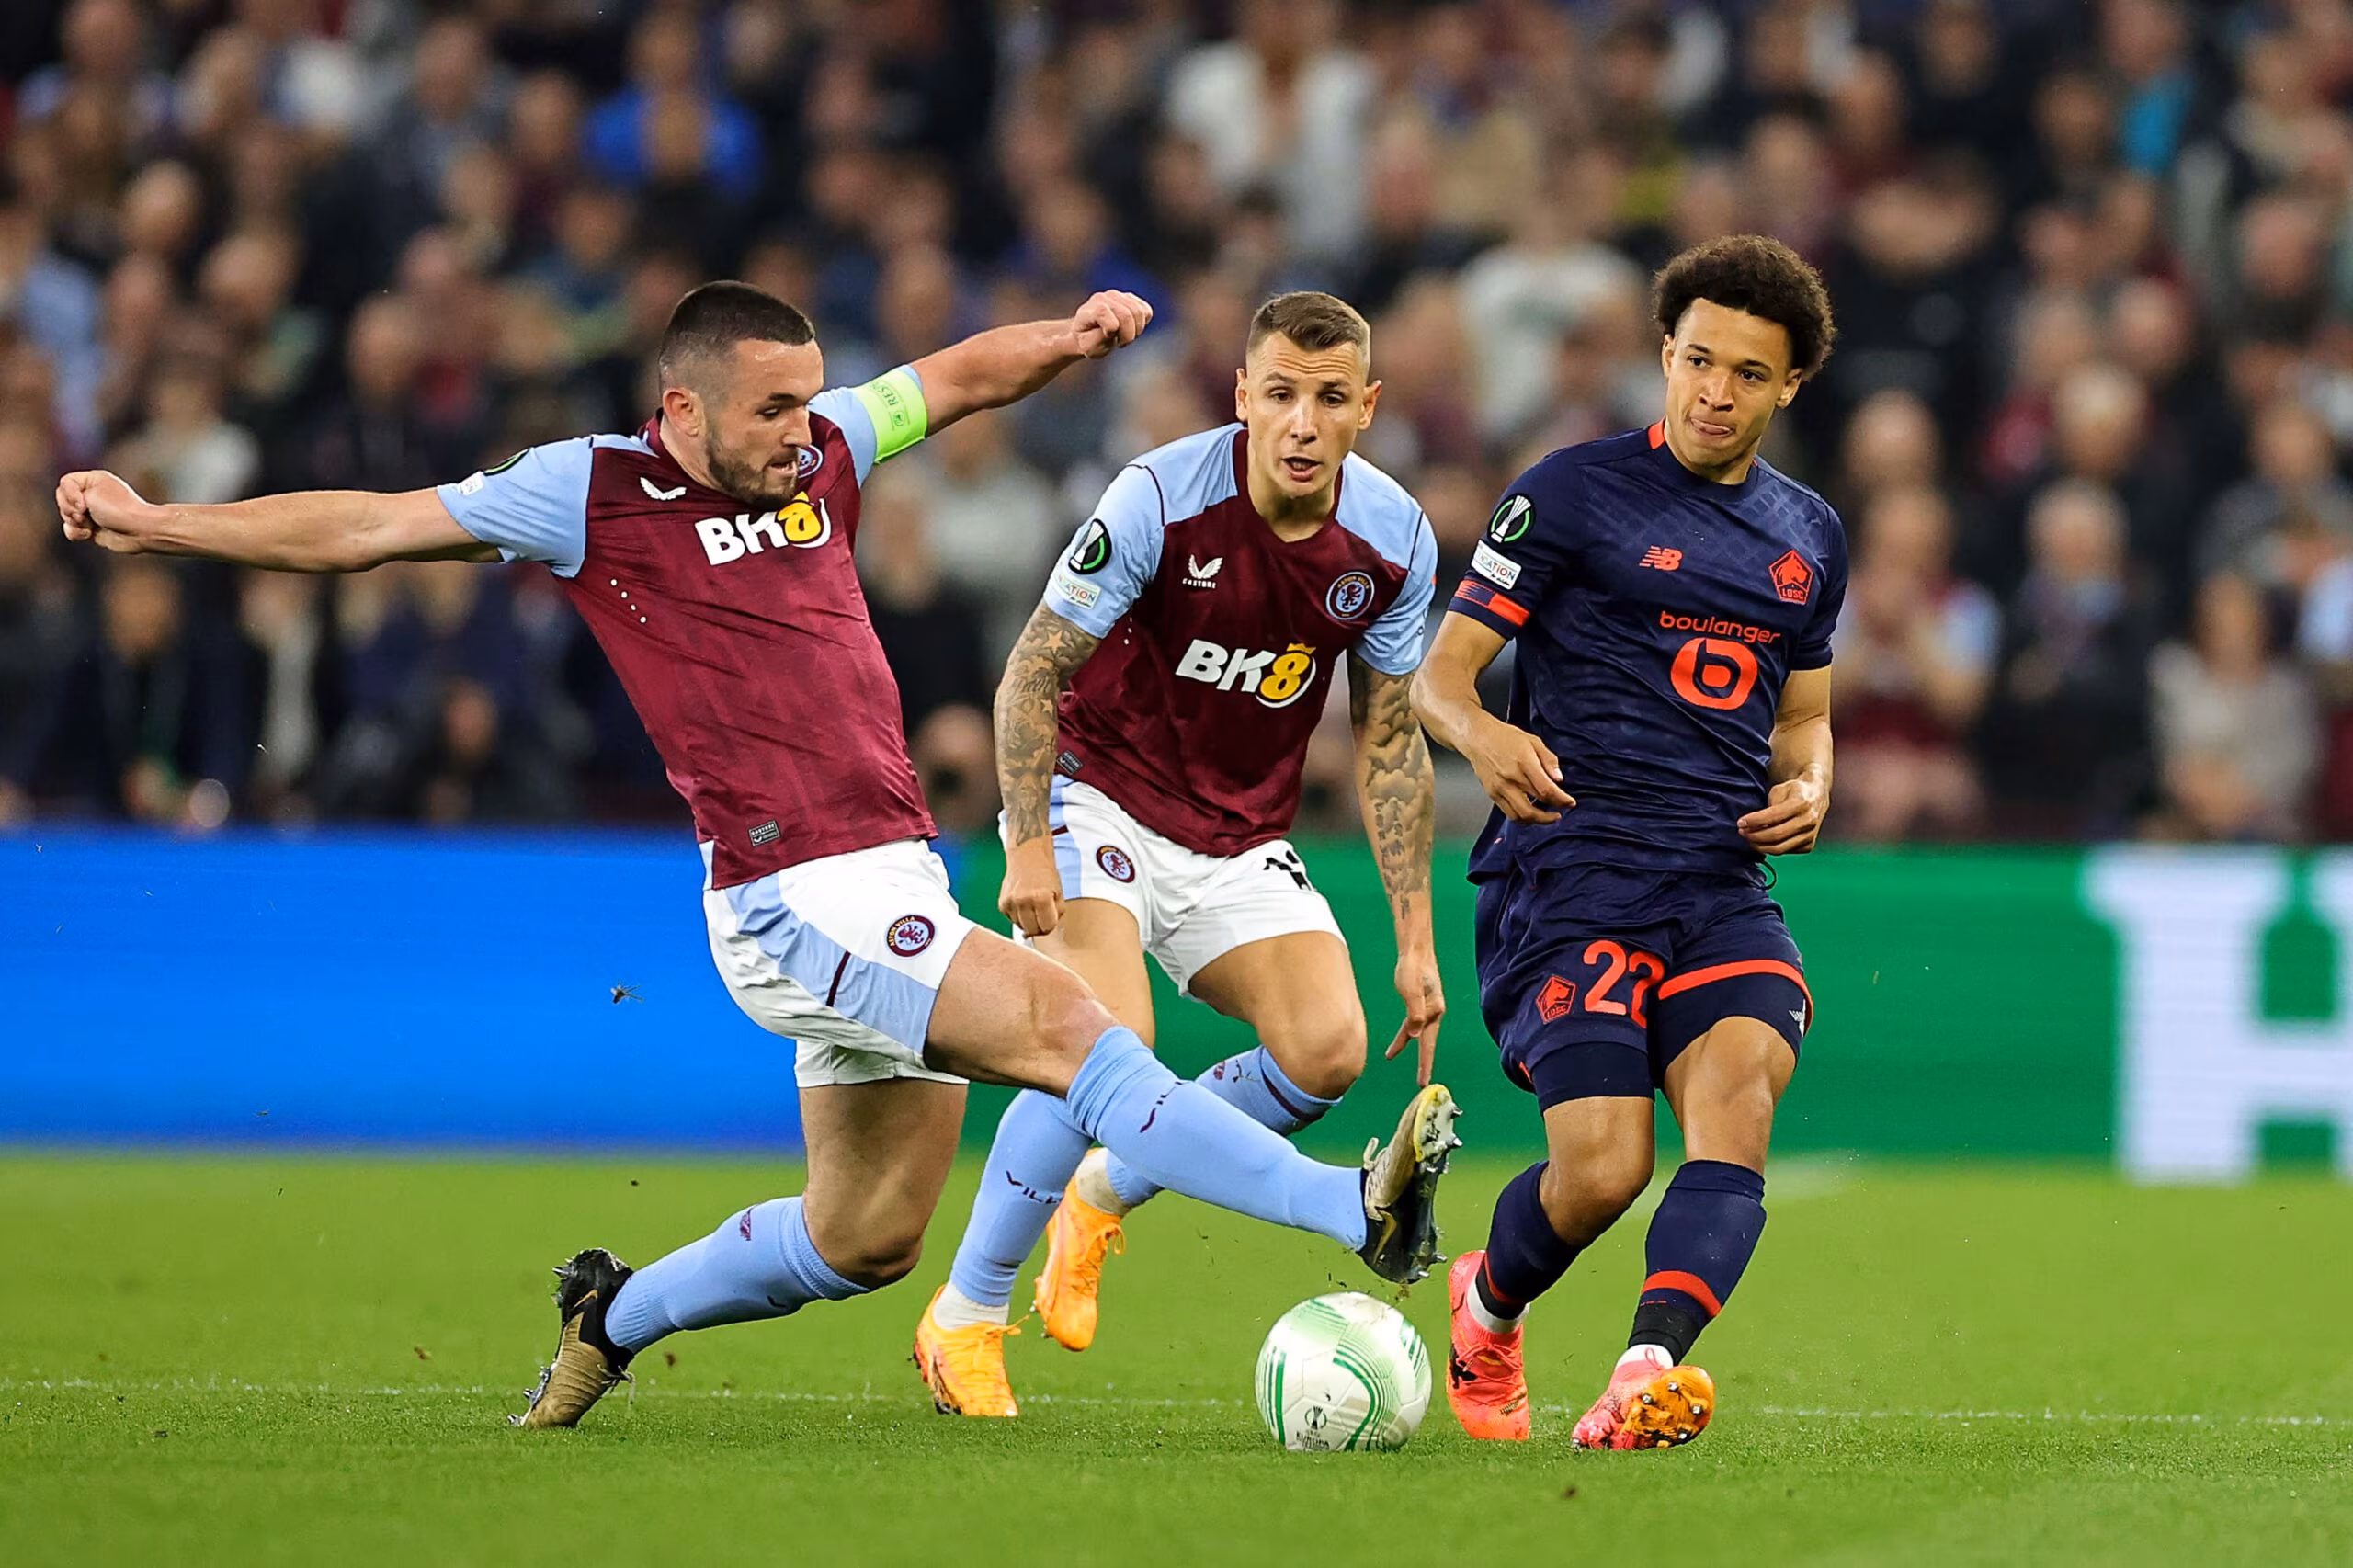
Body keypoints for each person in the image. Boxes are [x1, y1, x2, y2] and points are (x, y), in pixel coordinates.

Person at [52, 280, 1463, 1432]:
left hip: (892, 875)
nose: (807, 430)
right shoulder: (589, 490)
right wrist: (160, 524)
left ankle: (611, 1315)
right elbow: (370, 525)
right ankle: (1352, 1210)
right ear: (682, 409)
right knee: (1076, 1029)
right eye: (774, 408)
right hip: (791, 891)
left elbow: (950, 380)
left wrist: (1071, 338)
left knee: (866, 1238)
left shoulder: (825, 452)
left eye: (811, 399)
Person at [915, 291, 1448, 1416]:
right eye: (1281, 394)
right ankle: (966, 1309)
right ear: (1243, 395)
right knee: (1106, 1045)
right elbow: (1032, 671)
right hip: (1097, 795)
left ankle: (1103, 1190)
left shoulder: (1394, 538)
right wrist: (1027, 840)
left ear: (1367, 409)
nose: (1302, 421)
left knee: (1328, 1049)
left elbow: (1389, 739)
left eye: (1330, 398)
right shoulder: (1159, 497)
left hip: (1237, 832)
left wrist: (1415, 938)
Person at [1411, 235, 1846, 1450]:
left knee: (1740, 1099)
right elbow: (1439, 678)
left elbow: (1805, 719)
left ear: (1788, 385)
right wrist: (1486, 736)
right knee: (1603, 1169)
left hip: (1719, 876)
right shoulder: (1569, 492)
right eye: (1698, 361)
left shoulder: (1810, 535)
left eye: (1747, 374)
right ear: (1664, 354)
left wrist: (1813, 782)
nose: (1715, 392)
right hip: (1572, 869)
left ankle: (1642, 1370)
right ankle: (1487, 1304)